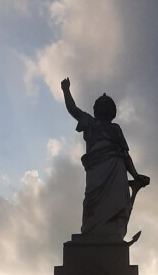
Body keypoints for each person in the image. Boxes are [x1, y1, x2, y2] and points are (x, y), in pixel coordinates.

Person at [61, 77, 149, 240]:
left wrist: (135, 175)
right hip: (96, 169)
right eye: (102, 104)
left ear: (112, 111)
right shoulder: (90, 122)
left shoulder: (116, 129)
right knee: (91, 201)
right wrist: (66, 90)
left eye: (108, 105)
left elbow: (125, 154)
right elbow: (73, 109)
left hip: (116, 169)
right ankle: (90, 232)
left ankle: (114, 233)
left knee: (116, 203)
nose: (105, 106)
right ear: (96, 109)